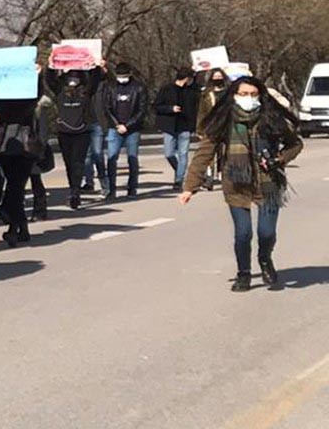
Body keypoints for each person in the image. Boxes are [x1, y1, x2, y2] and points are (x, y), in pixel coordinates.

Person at [180, 75, 301, 291]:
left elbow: (295, 144)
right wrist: (190, 186)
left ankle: (265, 258)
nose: (249, 98)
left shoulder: (270, 117)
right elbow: (204, 153)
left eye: (254, 94)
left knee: (267, 232)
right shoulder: (224, 119)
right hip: (236, 182)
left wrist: (279, 159)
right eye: (243, 94)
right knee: (243, 233)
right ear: (234, 96)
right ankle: (243, 273)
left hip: (268, 182)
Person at [0, 96, 45, 247]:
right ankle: (21, 228)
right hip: (6, 148)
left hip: (24, 149)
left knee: (15, 189)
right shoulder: (2, 99)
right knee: (14, 188)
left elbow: (38, 92)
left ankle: (13, 228)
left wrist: (39, 74)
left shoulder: (28, 97)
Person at [46, 65, 101, 210]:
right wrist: (50, 66)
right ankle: (72, 188)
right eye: (70, 78)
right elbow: (50, 80)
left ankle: (75, 192)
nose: (73, 81)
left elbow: (95, 80)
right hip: (64, 132)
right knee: (69, 163)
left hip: (82, 132)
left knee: (78, 163)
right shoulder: (60, 92)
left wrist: (94, 65)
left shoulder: (86, 92)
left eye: (76, 78)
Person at [96, 61, 150, 199]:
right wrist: (116, 124)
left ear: (130, 74)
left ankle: (132, 188)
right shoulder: (111, 86)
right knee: (112, 159)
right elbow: (106, 107)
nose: (122, 78)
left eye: (124, 75)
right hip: (115, 128)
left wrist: (128, 125)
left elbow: (142, 110)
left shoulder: (139, 87)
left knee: (132, 159)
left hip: (133, 129)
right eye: (120, 75)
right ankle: (111, 189)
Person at [155, 68, 200, 188]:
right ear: (186, 79)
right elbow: (157, 106)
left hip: (185, 126)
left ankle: (179, 180)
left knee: (183, 153)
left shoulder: (193, 91)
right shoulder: (167, 89)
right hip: (169, 125)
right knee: (168, 153)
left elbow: (197, 108)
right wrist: (170, 109)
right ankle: (180, 171)